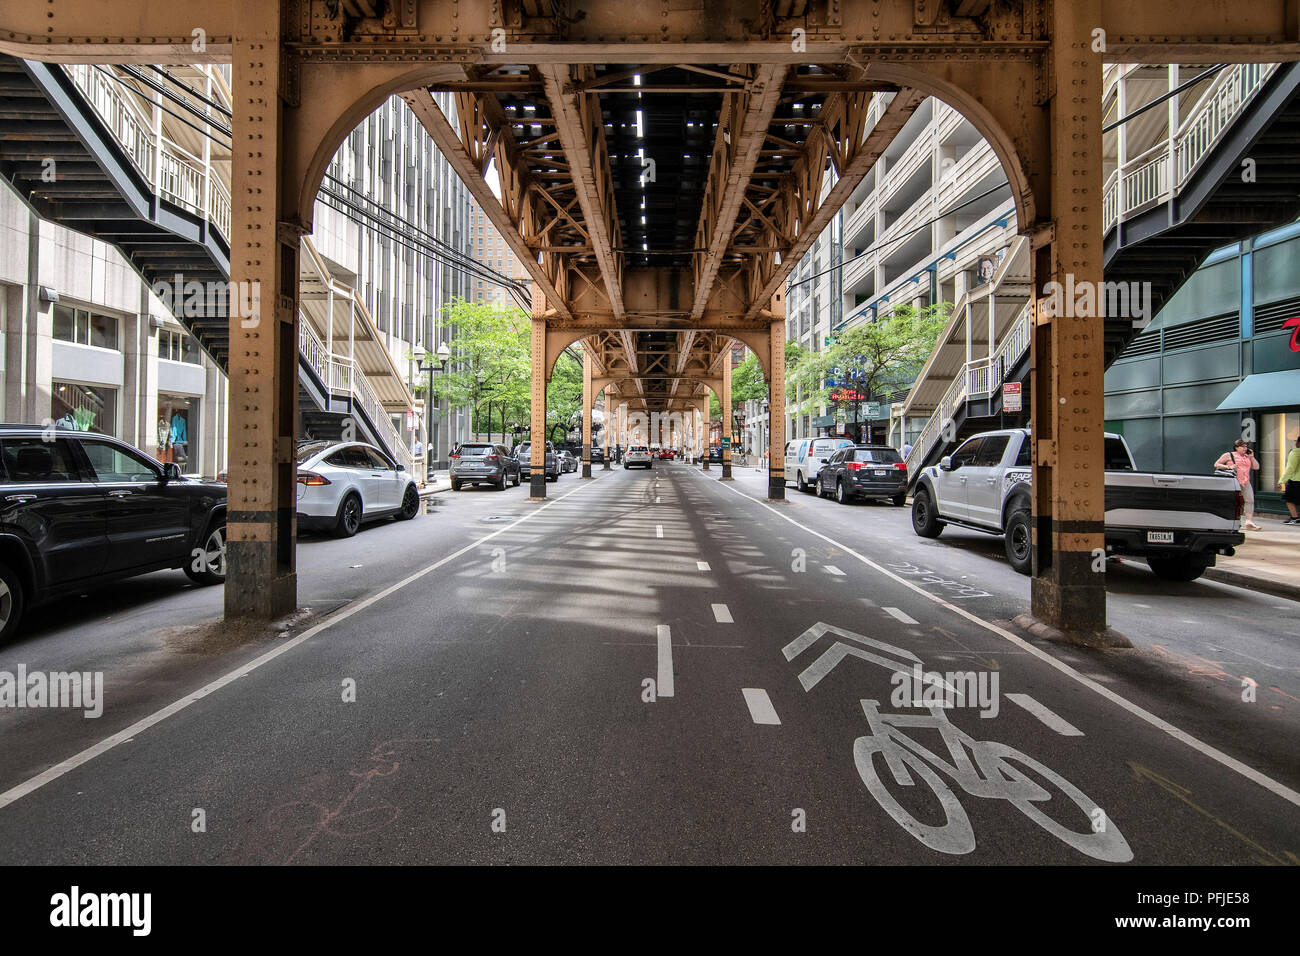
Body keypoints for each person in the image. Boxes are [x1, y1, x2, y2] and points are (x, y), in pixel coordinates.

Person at [1215, 438, 1262, 531]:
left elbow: (1256, 467)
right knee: (1233, 502)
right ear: (1237, 447)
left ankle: (1249, 522)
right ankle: (1230, 522)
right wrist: (1229, 466)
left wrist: (1252, 457)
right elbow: (1216, 464)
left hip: (1245, 481)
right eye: (1243, 446)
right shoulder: (1229, 455)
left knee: (1250, 500)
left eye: (1246, 446)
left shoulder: (1247, 457)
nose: (1245, 448)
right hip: (1233, 481)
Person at [1278, 434, 1300, 526]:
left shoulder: (1295, 453)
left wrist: (1282, 481)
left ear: (1298, 443)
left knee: (1289, 499)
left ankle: (1295, 518)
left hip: (1296, 480)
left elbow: (1290, 468)